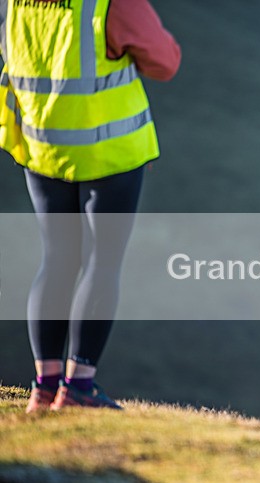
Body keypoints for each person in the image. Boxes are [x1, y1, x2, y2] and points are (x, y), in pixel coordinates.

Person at [0, 0, 181, 411]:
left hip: (44, 145)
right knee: (102, 262)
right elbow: (165, 61)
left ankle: (44, 387)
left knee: (56, 258)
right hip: (108, 151)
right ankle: (78, 386)